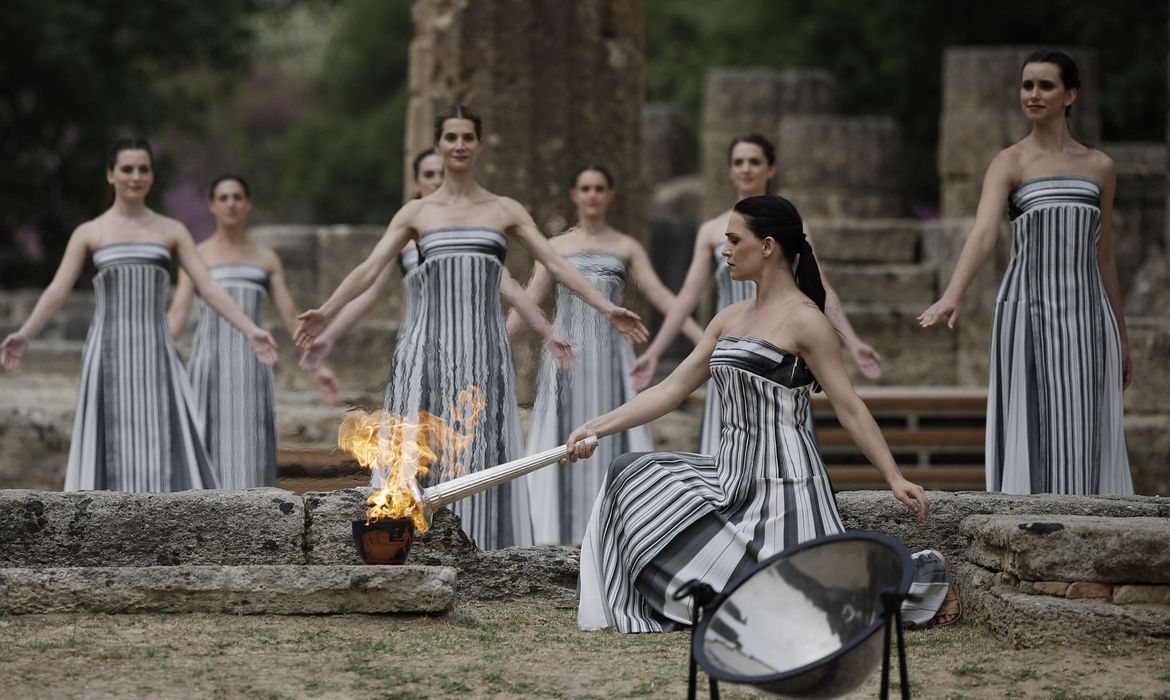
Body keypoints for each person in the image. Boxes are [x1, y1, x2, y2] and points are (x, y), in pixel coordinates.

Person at [566, 195, 957, 633]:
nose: (725, 250)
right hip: (728, 476)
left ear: (768, 246)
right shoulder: (728, 318)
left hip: (784, 487)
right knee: (630, 473)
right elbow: (671, 388)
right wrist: (595, 426)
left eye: (735, 240)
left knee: (804, 609)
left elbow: (849, 407)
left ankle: (922, 575)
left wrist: (894, 476)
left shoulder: (808, 321)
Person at [294, 105, 648, 550]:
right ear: (440, 144)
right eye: (451, 137)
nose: (459, 145)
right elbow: (369, 269)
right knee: (418, 448)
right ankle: (405, 539)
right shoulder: (416, 214)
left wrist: (604, 306)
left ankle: (486, 548)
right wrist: (326, 311)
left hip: (485, 351)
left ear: (479, 145)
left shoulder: (503, 210)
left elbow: (555, 263)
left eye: (468, 137)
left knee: (482, 445)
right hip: (426, 350)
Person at [0, 139, 278, 492]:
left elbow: (207, 286)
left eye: (143, 169)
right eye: (127, 169)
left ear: (151, 176)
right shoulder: (90, 232)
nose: (135, 176)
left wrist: (250, 329)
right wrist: (25, 334)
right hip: (107, 353)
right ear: (110, 175)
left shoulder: (172, 231)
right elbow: (58, 290)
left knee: (163, 441)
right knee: (111, 442)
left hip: (157, 352)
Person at [919, 50, 1132, 496]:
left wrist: (1122, 337)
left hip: (1088, 315)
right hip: (1027, 310)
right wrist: (951, 295)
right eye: (1027, 85)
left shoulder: (1101, 167)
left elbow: (1105, 256)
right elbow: (983, 235)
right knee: (1033, 421)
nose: (1033, 94)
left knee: (1086, 426)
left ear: (1070, 95)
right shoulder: (1009, 162)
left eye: (1045, 86)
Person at [631, 134, 882, 455]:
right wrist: (655, 351)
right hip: (733, 348)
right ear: (730, 170)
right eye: (738, 162)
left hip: (776, 353)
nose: (746, 169)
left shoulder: (790, 225)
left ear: (771, 168)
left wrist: (853, 341)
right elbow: (686, 299)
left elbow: (818, 285)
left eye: (754, 161)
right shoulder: (711, 231)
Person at [514, 164, 705, 545]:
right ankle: (554, 533)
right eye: (585, 188)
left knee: (614, 433)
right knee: (561, 437)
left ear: (610, 194)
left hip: (613, 361)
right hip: (568, 357)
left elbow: (661, 295)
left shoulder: (627, 246)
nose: (593, 195)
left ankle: (614, 531)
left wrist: (706, 340)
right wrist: (497, 344)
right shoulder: (555, 248)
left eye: (600, 188)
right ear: (574, 194)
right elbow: (529, 301)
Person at [298, 149, 574, 383]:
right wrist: (328, 334)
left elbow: (510, 289)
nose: (436, 181)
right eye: (428, 175)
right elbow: (368, 291)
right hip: (418, 346)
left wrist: (547, 332)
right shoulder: (402, 236)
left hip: (469, 346)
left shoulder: (473, 235)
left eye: (441, 174)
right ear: (417, 182)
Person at [166, 174, 338, 489]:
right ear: (212, 206)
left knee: (251, 446)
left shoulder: (266, 258)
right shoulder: (198, 256)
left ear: (247, 204)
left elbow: (290, 317)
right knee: (205, 441)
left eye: (237, 197)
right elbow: (177, 313)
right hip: (209, 363)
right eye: (223, 198)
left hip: (252, 365)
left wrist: (318, 364)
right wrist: (156, 354)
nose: (231, 204)